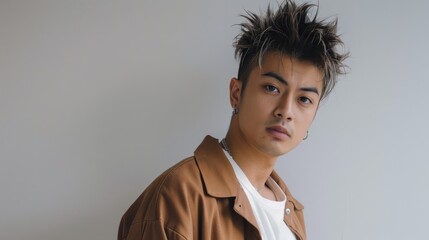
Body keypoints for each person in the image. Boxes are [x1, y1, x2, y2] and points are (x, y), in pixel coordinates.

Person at [117, 1, 348, 239]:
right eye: (271, 88)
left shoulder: (291, 214)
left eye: (304, 99)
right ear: (236, 93)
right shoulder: (179, 195)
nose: (286, 110)